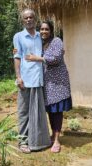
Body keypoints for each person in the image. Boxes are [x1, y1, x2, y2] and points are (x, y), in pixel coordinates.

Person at [25, 21, 72, 153]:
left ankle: (56, 139)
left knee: (56, 111)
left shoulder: (56, 41)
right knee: (50, 110)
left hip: (58, 82)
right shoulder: (40, 43)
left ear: (51, 31)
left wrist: (38, 58)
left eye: (46, 29)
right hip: (46, 83)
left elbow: (56, 59)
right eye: (42, 29)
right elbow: (28, 53)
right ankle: (53, 134)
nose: (44, 31)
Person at [13, 9, 51, 153]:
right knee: (24, 112)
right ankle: (23, 141)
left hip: (39, 80)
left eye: (31, 17)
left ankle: (38, 140)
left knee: (38, 112)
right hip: (26, 80)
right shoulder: (18, 36)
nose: (28, 20)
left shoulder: (40, 37)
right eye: (25, 18)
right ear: (22, 21)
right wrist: (18, 77)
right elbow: (16, 58)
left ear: (35, 19)